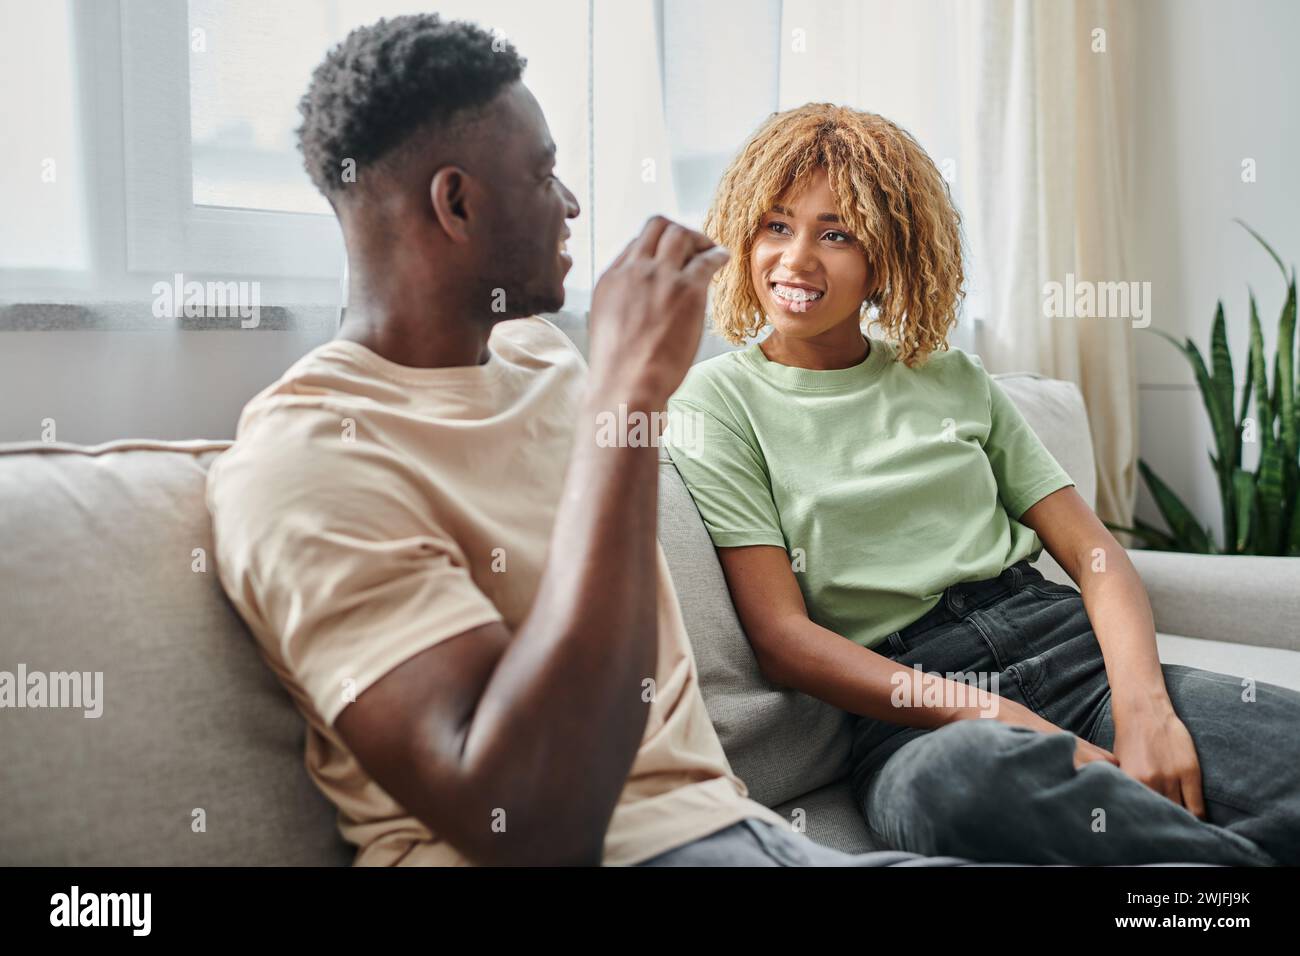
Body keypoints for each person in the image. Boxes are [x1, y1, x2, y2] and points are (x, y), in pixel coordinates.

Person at [205, 13, 986, 868]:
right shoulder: (308, 462)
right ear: (456, 202)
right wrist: (626, 398)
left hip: (741, 832)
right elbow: (528, 823)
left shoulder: (542, 357)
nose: (571, 204)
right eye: (544, 175)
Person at [662, 103, 1300, 866]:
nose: (796, 260)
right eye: (775, 225)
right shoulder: (716, 400)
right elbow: (786, 641)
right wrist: (999, 715)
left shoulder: (951, 375)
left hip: (1066, 650)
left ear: (886, 253)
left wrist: (1144, 707)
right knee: (956, 791)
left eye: (836, 233)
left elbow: (1094, 554)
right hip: (913, 713)